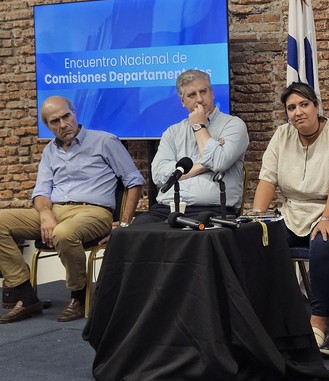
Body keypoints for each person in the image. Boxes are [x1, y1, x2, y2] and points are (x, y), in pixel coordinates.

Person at [0, 96, 144, 323]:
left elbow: (134, 182)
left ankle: (78, 295)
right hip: (56, 210)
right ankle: (26, 296)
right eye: (54, 121)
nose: (63, 124)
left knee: (63, 233)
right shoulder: (50, 151)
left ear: (74, 113)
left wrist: (123, 225)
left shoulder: (105, 141)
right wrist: (46, 214)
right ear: (48, 126)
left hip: (93, 211)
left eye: (66, 116)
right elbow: (40, 193)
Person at [251, 82, 329, 348]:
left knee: (324, 241)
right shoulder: (282, 135)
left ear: (316, 107)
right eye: (291, 108)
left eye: (304, 104)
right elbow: (267, 180)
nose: (298, 112)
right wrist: (257, 217)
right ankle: (278, 317)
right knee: (259, 239)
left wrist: (328, 217)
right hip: (295, 210)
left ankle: (319, 322)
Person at [132, 69, 248, 224]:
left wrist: (199, 126)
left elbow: (219, 162)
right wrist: (203, 166)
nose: (199, 99)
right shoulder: (172, 132)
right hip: (168, 208)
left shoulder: (233, 125)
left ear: (212, 94)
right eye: (192, 95)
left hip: (210, 210)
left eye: (203, 91)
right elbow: (159, 176)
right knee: (135, 230)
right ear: (182, 102)